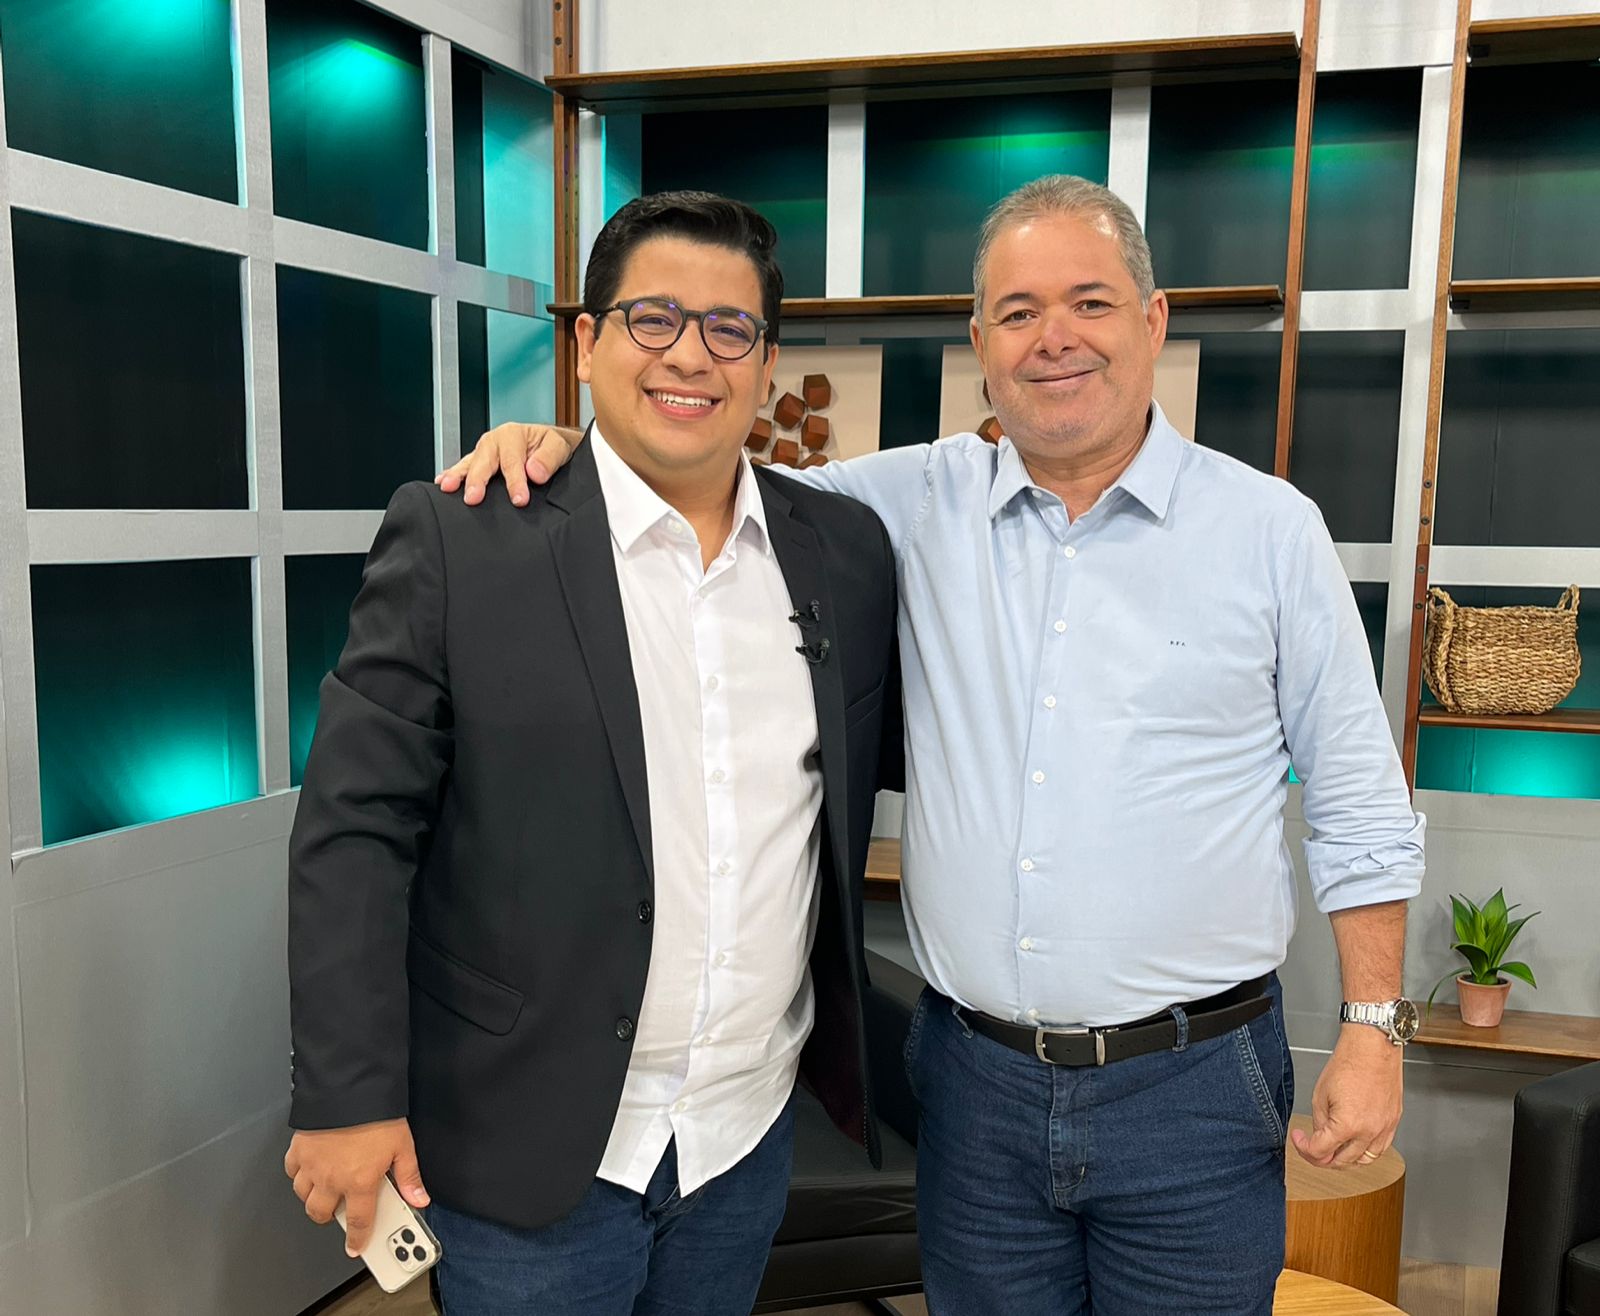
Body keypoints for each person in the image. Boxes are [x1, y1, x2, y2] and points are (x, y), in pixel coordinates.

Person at [442, 174, 1427, 1316]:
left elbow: (1358, 797)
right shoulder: (900, 504)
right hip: (975, 1087)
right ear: (980, 343)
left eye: (1091, 303)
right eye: (1018, 312)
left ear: (1153, 321)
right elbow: (692, 476)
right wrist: (565, 447)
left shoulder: (1269, 532)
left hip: (1194, 1088)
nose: (1053, 337)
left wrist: (1373, 1031)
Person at [285, 191, 898, 1316]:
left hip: (742, 1133)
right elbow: (354, 829)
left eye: (730, 328)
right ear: (586, 343)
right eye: (652, 318)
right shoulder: (466, 534)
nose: (691, 355)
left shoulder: (844, 551)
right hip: (527, 1141)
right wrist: (346, 1093)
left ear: (767, 360)